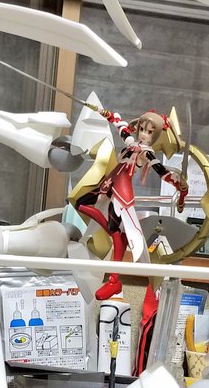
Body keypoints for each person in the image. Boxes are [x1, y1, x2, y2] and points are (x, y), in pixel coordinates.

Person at [75, 108, 187, 300]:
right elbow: (120, 126)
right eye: (142, 129)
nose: (143, 134)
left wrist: (178, 182)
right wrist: (107, 114)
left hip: (121, 189)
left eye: (149, 132)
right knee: (80, 203)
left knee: (117, 235)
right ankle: (116, 234)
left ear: (155, 136)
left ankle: (114, 280)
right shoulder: (131, 142)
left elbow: (162, 172)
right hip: (109, 182)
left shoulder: (147, 153)